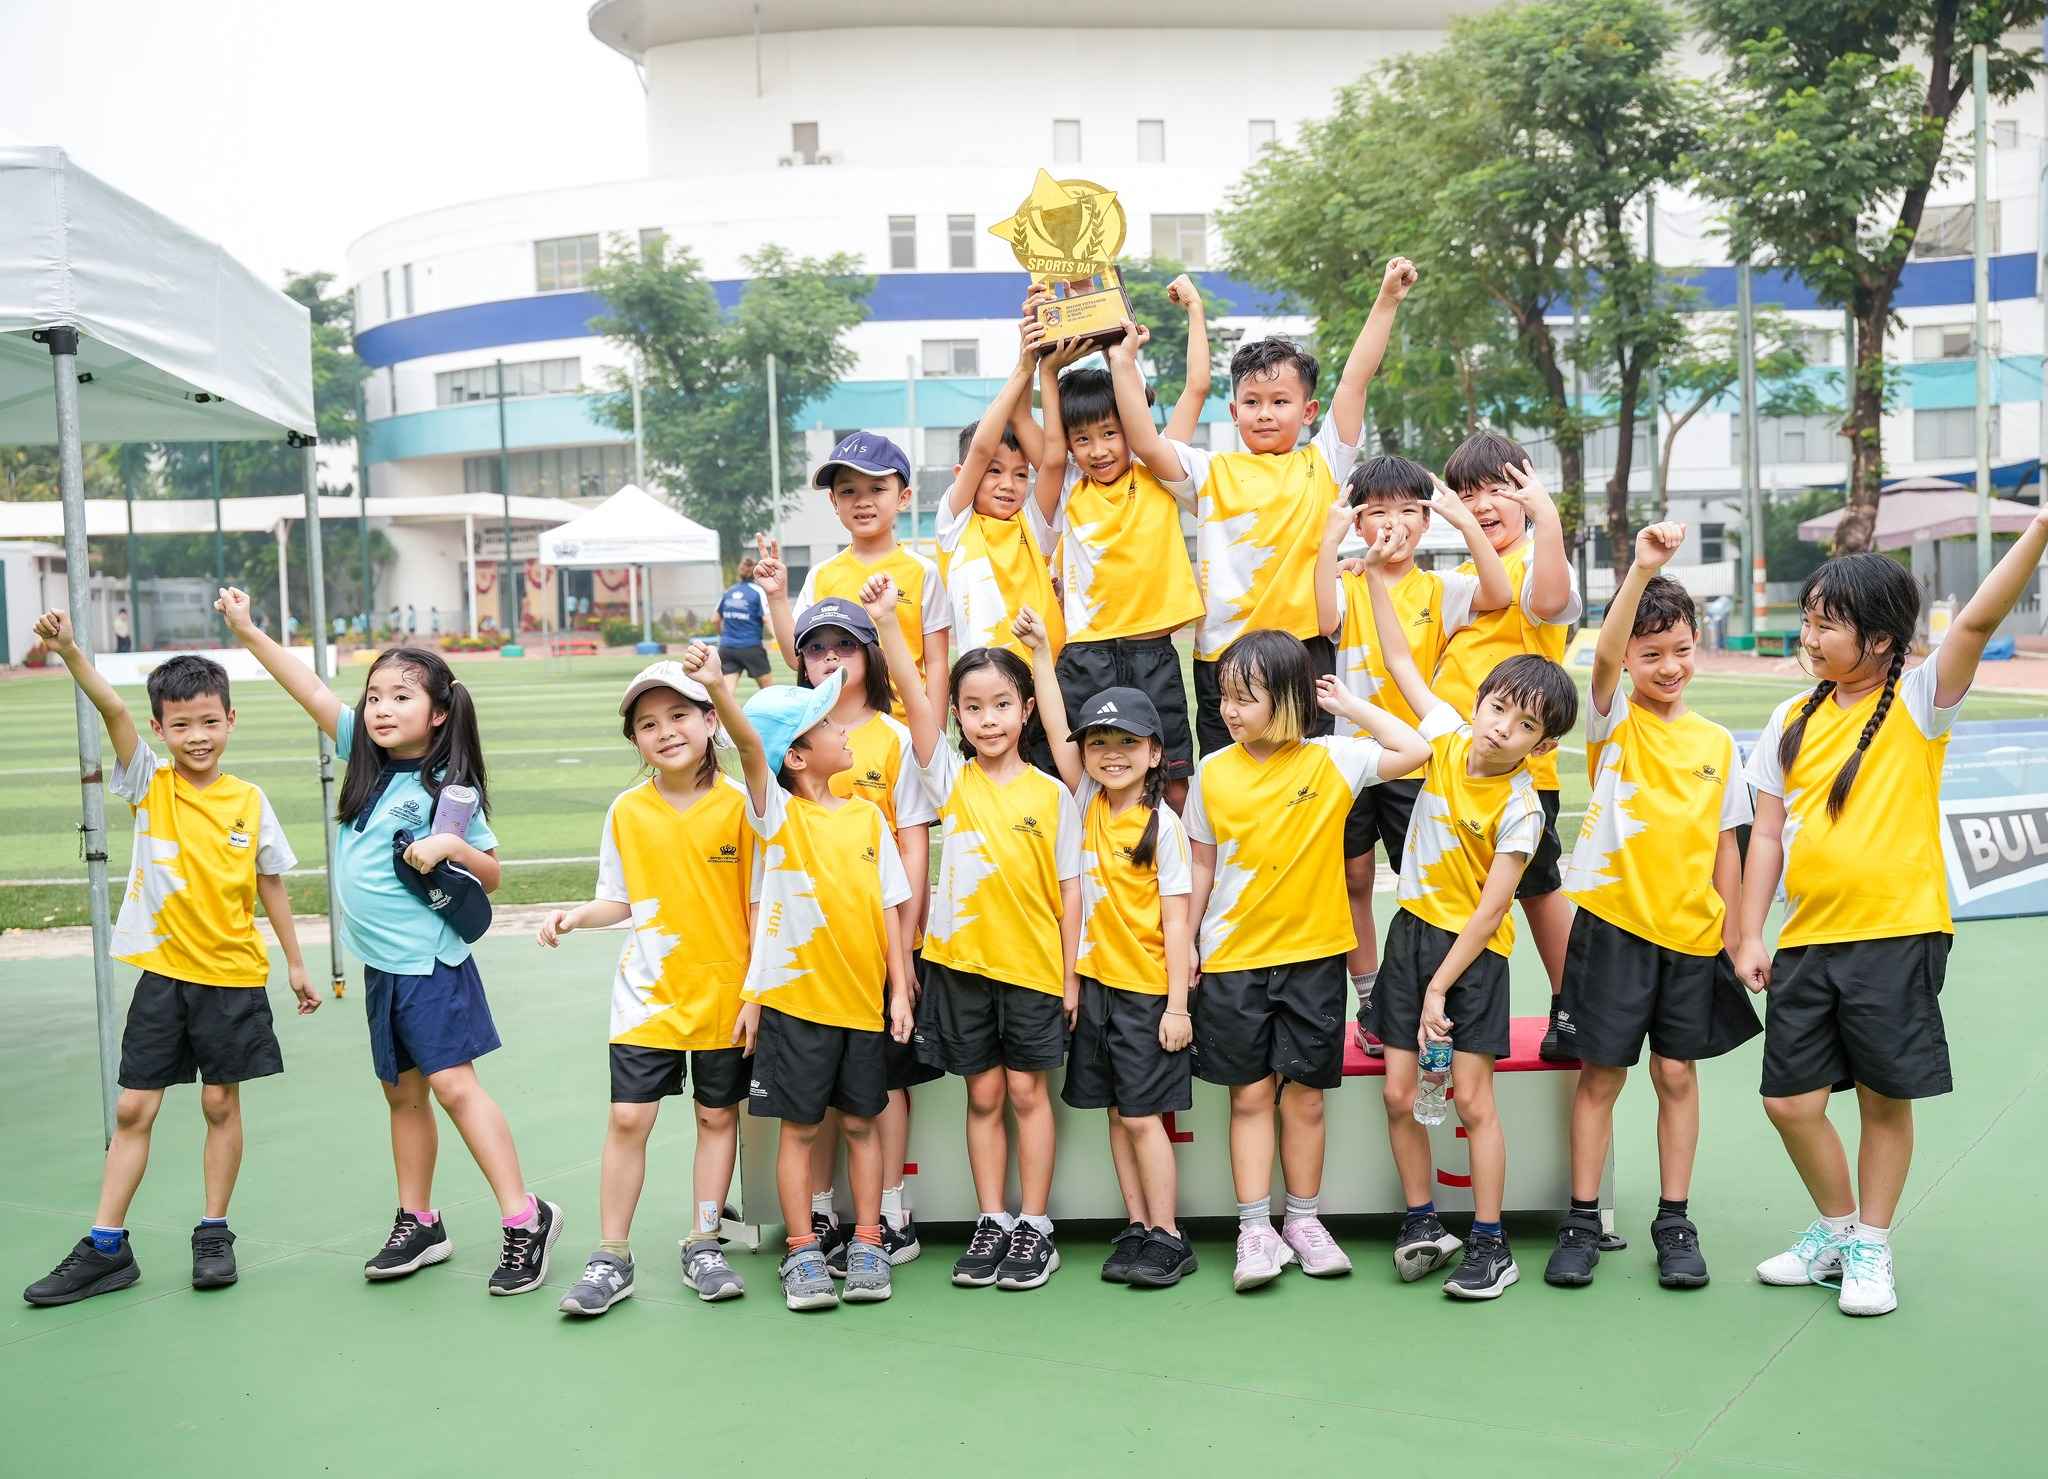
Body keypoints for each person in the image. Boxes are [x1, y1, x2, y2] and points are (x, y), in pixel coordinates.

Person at [1737, 512, 2048, 1318]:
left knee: (1882, 1097)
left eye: (1825, 624)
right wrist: (1747, 931)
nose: (1808, 636)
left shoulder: (1917, 701)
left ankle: (1870, 1244)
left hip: (1898, 932)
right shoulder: (1790, 720)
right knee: (1789, 1101)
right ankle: (1839, 1230)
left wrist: (2043, 526)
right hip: (1808, 936)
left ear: (1879, 640)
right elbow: (1765, 832)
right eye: (1808, 619)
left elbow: (1975, 621)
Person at [216, 587, 563, 1295]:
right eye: (374, 695)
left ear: (438, 713)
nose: (380, 708)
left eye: (401, 697)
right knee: (402, 1097)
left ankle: (526, 1217)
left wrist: (450, 846)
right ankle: (420, 1220)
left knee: (455, 1089)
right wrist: (249, 631)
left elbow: (492, 873)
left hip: (430, 964)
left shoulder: (448, 789)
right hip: (382, 967)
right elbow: (309, 687)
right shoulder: (362, 757)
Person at [21, 614, 316, 1307]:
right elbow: (113, 709)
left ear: (231, 720)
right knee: (133, 1107)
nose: (197, 736)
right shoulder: (148, 783)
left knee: (219, 1101)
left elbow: (270, 881)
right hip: (165, 975)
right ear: (160, 730)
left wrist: (297, 962)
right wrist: (70, 650)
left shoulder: (250, 800)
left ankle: (213, 1232)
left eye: (209, 721)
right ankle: (106, 1246)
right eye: (181, 725)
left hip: (233, 976)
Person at [1544, 524, 1758, 1292]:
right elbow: (1600, 656)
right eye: (1652, 652)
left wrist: (1738, 936)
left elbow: (1727, 846)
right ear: (1630, 660)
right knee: (1601, 1077)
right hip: (1614, 929)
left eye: (1682, 649)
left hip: (1690, 937)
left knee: (1676, 1073)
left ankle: (1675, 1220)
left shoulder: (1718, 744)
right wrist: (1639, 569)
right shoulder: (1613, 723)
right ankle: (1581, 1220)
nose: (1670, 666)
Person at [1182, 628, 1429, 1293]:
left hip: (1314, 958)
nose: (1230, 710)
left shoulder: (1334, 758)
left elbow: (1416, 748)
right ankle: (1254, 1228)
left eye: (1245, 697)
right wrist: (1190, 946)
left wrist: (1349, 705)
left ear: (1289, 698)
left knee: (1307, 1097)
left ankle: (1304, 1220)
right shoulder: (1212, 771)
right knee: (1250, 1095)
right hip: (1233, 957)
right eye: (1225, 696)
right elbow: (1201, 867)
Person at [1360, 549, 1578, 1300]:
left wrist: (1437, 990)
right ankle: (1422, 1221)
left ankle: (1490, 1241)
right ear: (1479, 703)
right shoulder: (1449, 738)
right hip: (1410, 937)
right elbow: (1398, 658)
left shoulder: (1521, 809)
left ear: (1542, 747)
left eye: (1525, 725)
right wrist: (1373, 581)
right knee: (1399, 1094)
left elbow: (1490, 913)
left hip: (1472, 959)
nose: (1502, 728)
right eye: (1498, 708)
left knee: (1471, 1099)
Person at [1111, 257, 1418, 757]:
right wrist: (1123, 363)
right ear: (1234, 412)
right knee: (1226, 775)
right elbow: (1145, 441)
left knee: (1309, 776)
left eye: (1280, 401)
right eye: (1252, 402)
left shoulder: (1323, 461)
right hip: (1223, 655)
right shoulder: (1209, 471)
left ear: (1309, 410)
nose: (1265, 413)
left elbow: (1354, 382)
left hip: (1302, 651)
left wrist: (1386, 300)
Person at [870, 577, 1084, 1292]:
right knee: (984, 1095)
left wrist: (1069, 977)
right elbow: (913, 693)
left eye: (1001, 705)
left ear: (1025, 710)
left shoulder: (1054, 795)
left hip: (1032, 971)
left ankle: (1035, 1226)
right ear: (956, 714)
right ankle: (992, 1218)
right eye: (972, 707)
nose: (987, 720)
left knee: (1027, 1093)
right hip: (960, 969)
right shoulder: (948, 780)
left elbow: (1070, 893)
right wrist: (887, 624)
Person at [697, 645, 915, 1313]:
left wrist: (899, 990)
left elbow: (889, 906)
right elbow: (748, 749)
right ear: (795, 756)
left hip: (861, 1005)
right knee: (798, 1131)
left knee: (862, 1126)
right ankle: (801, 1249)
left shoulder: (867, 817)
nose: (842, 729)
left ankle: (869, 1240)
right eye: (825, 726)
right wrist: (718, 689)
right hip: (796, 1006)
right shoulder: (777, 816)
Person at [539, 661, 756, 1315]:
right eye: (648, 723)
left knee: (717, 1116)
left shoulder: (743, 804)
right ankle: (612, 1254)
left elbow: (761, 904)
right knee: (629, 1117)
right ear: (635, 739)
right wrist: (578, 915)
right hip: (648, 994)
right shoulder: (627, 810)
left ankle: (705, 1240)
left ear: (711, 719)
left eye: (679, 715)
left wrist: (756, 993)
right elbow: (619, 898)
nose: (665, 732)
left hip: (725, 992)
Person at [1314, 457, 1510, 1054]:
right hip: (1352, 758)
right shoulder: (1348, 580)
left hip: (1419, 762)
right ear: (1358, 523)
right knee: (1352, 878)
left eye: (1407, 510)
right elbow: (1323, 619)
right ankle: (1370, 998)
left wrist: (1464, 520)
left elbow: (1499, 592)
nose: (1391, 523)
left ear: (1426, 522)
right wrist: (1329, 545)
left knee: (1422, 881)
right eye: (1376, 512)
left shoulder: (1440, 588)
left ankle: (1427, 993)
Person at [1027, 638, 1200, 1289]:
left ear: (1155, 753)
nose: (1112, 753)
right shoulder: (1084, 805)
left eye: (1128, 741)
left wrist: (1177, 1006)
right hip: (1096, 989)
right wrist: (1040, 656)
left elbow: (1177, 921)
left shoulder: (1163, 825)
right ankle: (1137, 1224)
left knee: (1142, 1116)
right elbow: (1055, 727)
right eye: (1098, 743)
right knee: (1115, 1111)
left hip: (1146, 994)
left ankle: (1169, 1234)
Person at [776, 595, 937, 1277]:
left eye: (844, 645)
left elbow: (911, 841)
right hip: (812, 958)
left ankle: (889, 1212)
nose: (831, 659)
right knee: (813, 1097)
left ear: (869, 655)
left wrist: (909, 932)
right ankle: (817, 1213)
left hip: (883, 943)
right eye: (816, 648)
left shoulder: (892, 736)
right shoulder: (790, 731)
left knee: (882, 1086)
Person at [1030, 281, 1210, 810]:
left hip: (1152, 653)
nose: (1098, 449)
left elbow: (1196, 388)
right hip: (1086, 656)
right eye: (1083, 439)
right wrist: (1045, 365)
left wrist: (1194, 310)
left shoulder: (1159, 471)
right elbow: (1048, 444)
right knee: (1083, 783)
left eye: (1110, 433)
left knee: (1171, 780)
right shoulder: (1068, 488)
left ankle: (1172, 857)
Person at [1433, 435, 1583, 1060]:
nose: (1482, 505)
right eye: (1467, 494)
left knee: (1539, 889)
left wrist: (1548, 519)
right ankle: (1444, 1006)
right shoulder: (1463, 577)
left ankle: (1571, 1005)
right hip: (1455, 771)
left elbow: (1550, 602)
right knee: (1455, 890)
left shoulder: (1537, 562)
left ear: (1526, 494)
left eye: (1498, 490)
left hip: (1520, 774)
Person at [759, 431, 949, 723]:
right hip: (838, 733)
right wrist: (776, 597)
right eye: (848, 491)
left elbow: (936, 663)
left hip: (905, 729)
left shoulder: (923, 572)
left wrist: (934, 734)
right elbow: (797, 659)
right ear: (833, 501)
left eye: (877, 489)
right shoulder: (821, 575)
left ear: (904, 498)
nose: (862, 501)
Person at [934, 306, 1062, 665]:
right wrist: (1022, 366)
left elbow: (1053, 463)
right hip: (985, 682)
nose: (1009, 484)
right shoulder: (955, 526)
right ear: (964, 473)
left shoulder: (1033, 524)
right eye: (994, 471)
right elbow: (980, 450)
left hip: (1047, 678)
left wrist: (1042, 364)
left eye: (1021, 474)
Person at [716, 555, 777, 691]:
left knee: (727, 693)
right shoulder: (758, 591)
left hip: (727, 648)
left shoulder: (729, 591)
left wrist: (723, 635)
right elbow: (767, 618)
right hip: (751, 648)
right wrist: (777, 638)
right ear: (756, 573)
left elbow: (715, 619)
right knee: (768, 691)